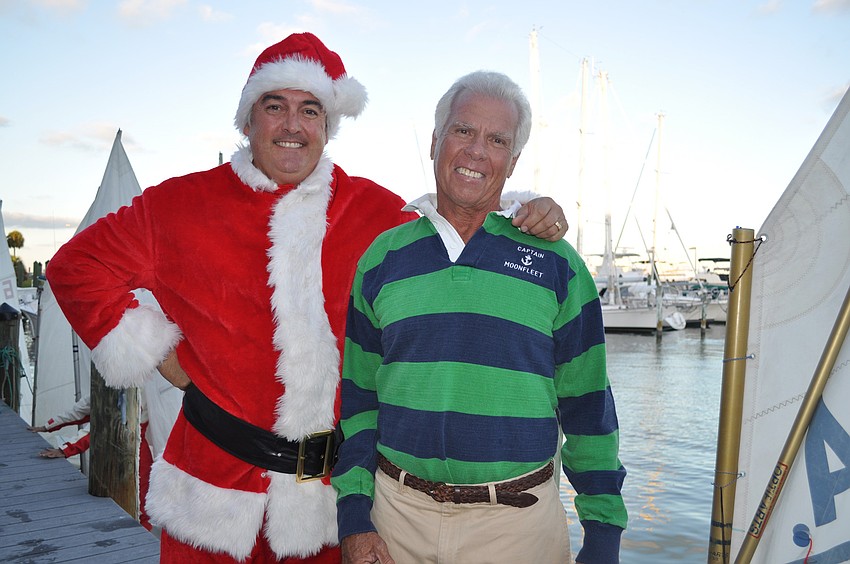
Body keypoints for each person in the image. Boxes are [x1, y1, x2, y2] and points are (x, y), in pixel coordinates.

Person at [46, 33, 568, 563]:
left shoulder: (374, 212)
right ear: (248, 120)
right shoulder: (179, 204)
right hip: (208, 498)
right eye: (275, 107)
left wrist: (527, 212)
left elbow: (457, 228)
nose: (292, 125)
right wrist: (159, 354)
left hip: (328, 504)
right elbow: (74, 269)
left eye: (310, 110)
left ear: (327, 125)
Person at [332, 70, 628, 564]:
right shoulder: (381, 259)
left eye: (497, 140)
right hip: (395, 520)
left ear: (512, 162)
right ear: (434, 142)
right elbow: (359, 403)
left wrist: (602, 535)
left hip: (517, 530)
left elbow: (589, 409)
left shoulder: (559, 264)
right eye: (463, 131)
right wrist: (354, 517)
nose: (476, 151)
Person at [29, 393, 155, 531]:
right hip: (112, 455)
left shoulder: (136, 389)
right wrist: (48, 426)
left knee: (139, 506)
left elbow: (102, 426)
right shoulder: (110, 384)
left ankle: (140, 540)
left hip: (135, 455)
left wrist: (65, 450)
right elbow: (81, 410)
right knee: (118, 504)